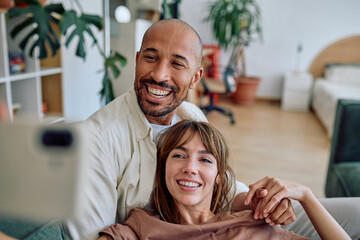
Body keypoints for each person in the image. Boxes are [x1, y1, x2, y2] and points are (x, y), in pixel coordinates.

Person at [66, 19, 360, 240]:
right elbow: (92, 234)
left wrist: (262, 200)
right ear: (137, 59)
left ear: (196, 78)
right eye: (150, 57)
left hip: (234, 223)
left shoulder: (189, 113)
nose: (159, 74)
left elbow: (221, 189)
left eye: (177, 64)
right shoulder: (97, 140)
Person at [97, 120, 350, 240]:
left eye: (205, 160)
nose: (190, 168)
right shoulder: (141, 225)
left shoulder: (252, 225)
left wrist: (305, 195)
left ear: (219, 178)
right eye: (179, 155)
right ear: (163, 167)